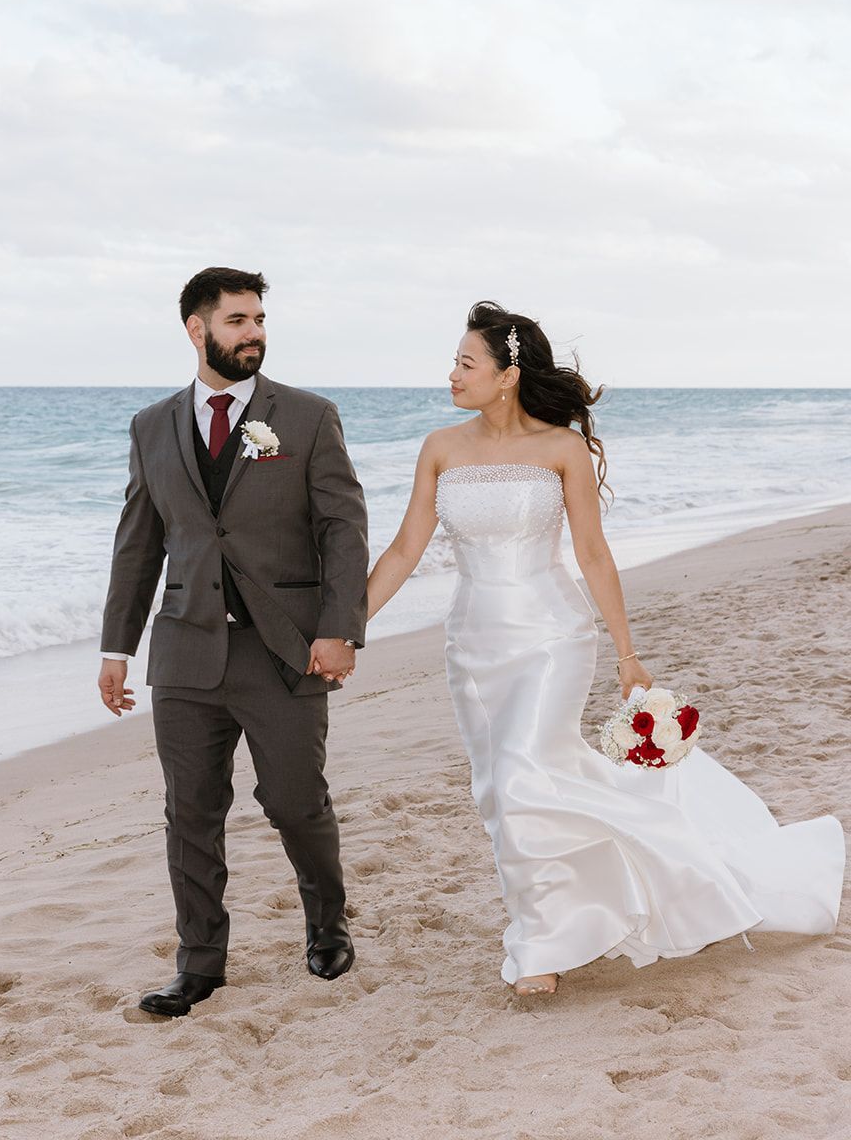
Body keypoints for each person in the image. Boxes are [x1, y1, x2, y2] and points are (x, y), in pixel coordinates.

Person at [366, 300, 845, 997]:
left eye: (465, 363)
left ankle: (540, 949)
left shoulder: (560, 449)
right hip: (472, 644)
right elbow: (407, 547)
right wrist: (350, 627)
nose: (452, 374)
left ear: (507, 376)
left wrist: (626, 653)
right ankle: (580, 906)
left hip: (553, 638)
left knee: (524, 772)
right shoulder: (441, 446)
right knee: (502, 791)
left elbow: (591, 552)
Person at [98, 267, 369, 1018]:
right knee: (190, 810)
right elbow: (138, 543)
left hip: (281, 648)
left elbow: (342, 529)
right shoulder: (152, 426)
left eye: (259, 320)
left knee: (294, 800)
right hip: (184, 650)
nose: (254, 333)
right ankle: (200, 964)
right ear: (198, 329)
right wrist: (115, 647)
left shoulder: (309, 417)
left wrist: (339, 629)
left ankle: (326, 924)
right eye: (238, 321)